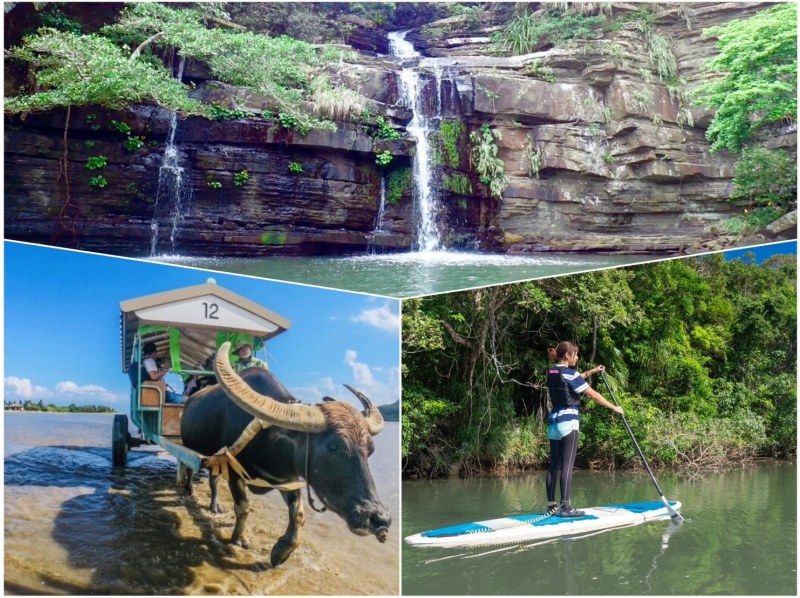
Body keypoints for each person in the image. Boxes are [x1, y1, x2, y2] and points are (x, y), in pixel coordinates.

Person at [545, 341, 623, 517]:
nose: (577, 357)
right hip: (569, 423)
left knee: (554, 465)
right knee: (567, 466)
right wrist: (614, 408)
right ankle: (566, 507)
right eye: (576, 354)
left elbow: (574, 377)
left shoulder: (552, 371)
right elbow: (593, 394)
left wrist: (593, 371)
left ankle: (551, 506)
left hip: (554, 423)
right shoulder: (570, 374)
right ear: (567, 356)